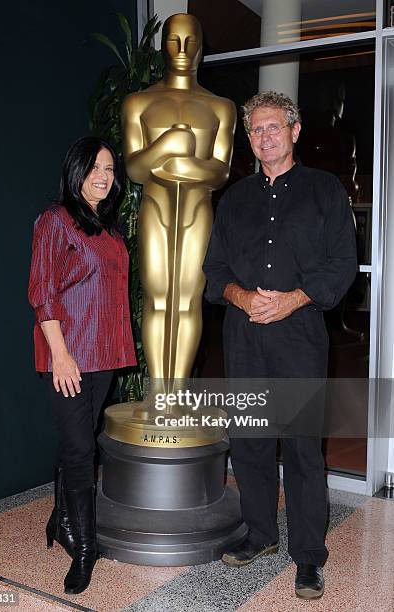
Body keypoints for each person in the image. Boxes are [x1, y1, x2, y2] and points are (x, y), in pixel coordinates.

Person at [203, 92, 357, 600]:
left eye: (273, 127)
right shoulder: (233, 199)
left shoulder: (325, 191)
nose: (264, 137)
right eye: (255, 130)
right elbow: (214, 272)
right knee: (249, 442)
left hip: (299, 336)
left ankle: (309, 557)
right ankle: (261, 535)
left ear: (294, 132)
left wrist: (292, 299)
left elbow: (341, 266)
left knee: (303, 449)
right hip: (243, 337)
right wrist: (243, 296)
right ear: (248, 139)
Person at [28, 136, 136, 594]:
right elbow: (42, 291)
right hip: (69, 354)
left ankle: (59, 517)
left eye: (110, 169)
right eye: (94, 167)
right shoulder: (55, 220)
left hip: (106, 353)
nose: (103, 176)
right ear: (76, 171)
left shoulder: (110, 232)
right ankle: (85, 548)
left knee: (80, 442)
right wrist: (61, 354)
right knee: (79, 450)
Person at [121, 13, 236, 384]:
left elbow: (220, 173)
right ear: (163, 46)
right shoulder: (138, 102)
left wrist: (177, 163)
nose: (183, 49)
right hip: (155, 208)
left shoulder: (220, 107)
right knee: (157, 298)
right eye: (174, 41)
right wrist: (168, 144)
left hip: (197, 210)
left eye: (190, 41)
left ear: (201, 46)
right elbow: (135, 168)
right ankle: (158, 391)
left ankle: (177, 392)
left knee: (188, 300)